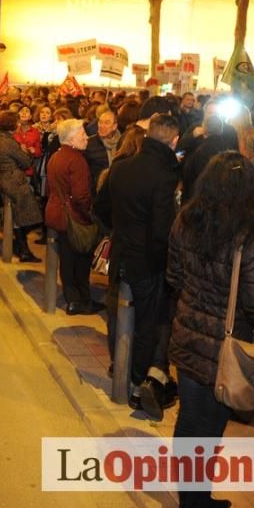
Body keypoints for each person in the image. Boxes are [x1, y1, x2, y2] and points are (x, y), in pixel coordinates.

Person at [168, 151, 254, 508]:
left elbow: (174, 276)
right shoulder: (252, 237)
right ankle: (195, 503)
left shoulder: (186, 219)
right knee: (209, 429)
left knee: (189, 420)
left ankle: (192, 498)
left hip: (186, 333)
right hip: (223, 347)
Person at [94, 113, 181, 419]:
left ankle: (120, 365)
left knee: (117, 314)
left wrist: (118, 233)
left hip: (121, 253)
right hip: (147, 262)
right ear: (173, 141)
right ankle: (134, 382)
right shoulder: (163, 175)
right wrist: (162, 263)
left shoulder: (121, 167)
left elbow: (100, 208)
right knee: (146, 325)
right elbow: (161, 230)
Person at [45, 119, 101, 315]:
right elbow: (80, 196)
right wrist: (90, 215)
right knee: (81, 261)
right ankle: (82, 300)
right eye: (82, 134)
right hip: (74, 217)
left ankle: (72, 299)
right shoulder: (77, 160)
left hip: (57, 213)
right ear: (71, 138)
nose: (86, 137)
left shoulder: (56, 156)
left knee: (67, 261)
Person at [0, 110, 43, 263]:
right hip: (14, 182)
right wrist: (24, 150)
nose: (19, 123)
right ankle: (21, 247)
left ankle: (23, 249)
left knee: (18, 218)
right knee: (32, 218)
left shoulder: (1, 138)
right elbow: (26, 162)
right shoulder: (8, 142)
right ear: (11, 124)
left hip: (6, 179)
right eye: (17, 121)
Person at [83, 109, 121, 194]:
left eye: (107, 123)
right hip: (96, 191)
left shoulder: (122, 142)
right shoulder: (89, 143)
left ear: (114, 126)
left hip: (117, 190)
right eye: (100, 122)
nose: (101, 126)